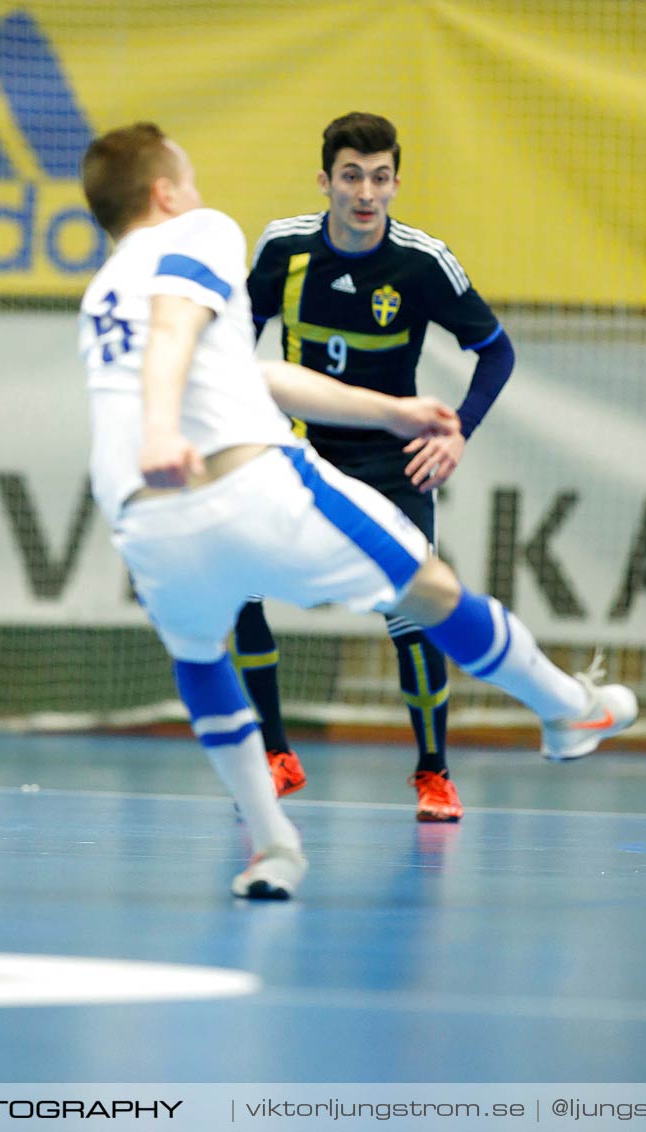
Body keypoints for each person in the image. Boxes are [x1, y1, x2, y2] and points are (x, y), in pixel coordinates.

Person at [78, 122, 637, 902]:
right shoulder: (200, 232)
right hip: (249, 486)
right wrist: (169, 429)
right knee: (431, 591)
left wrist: (390, 412)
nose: (202, 195)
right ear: (164, 194)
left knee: (202, 667)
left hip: (146, 527)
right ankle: (568, 708)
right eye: (192, 180)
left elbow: (255, 375)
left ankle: (273, 848)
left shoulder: (102, 293)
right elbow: (177, 327)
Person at [237, 111, 515, 821]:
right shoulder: (284, 249)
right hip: (299, 454)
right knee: (237, 589)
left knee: (414, 612)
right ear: (325, 180)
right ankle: (275, 756)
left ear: (396, 182)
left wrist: (457, 434)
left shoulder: (422, 263)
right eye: (352, 176)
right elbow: (236, 339)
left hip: (390, 464)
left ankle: (434, 773)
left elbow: (497, 352)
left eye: (381, 177)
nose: (366, 192)